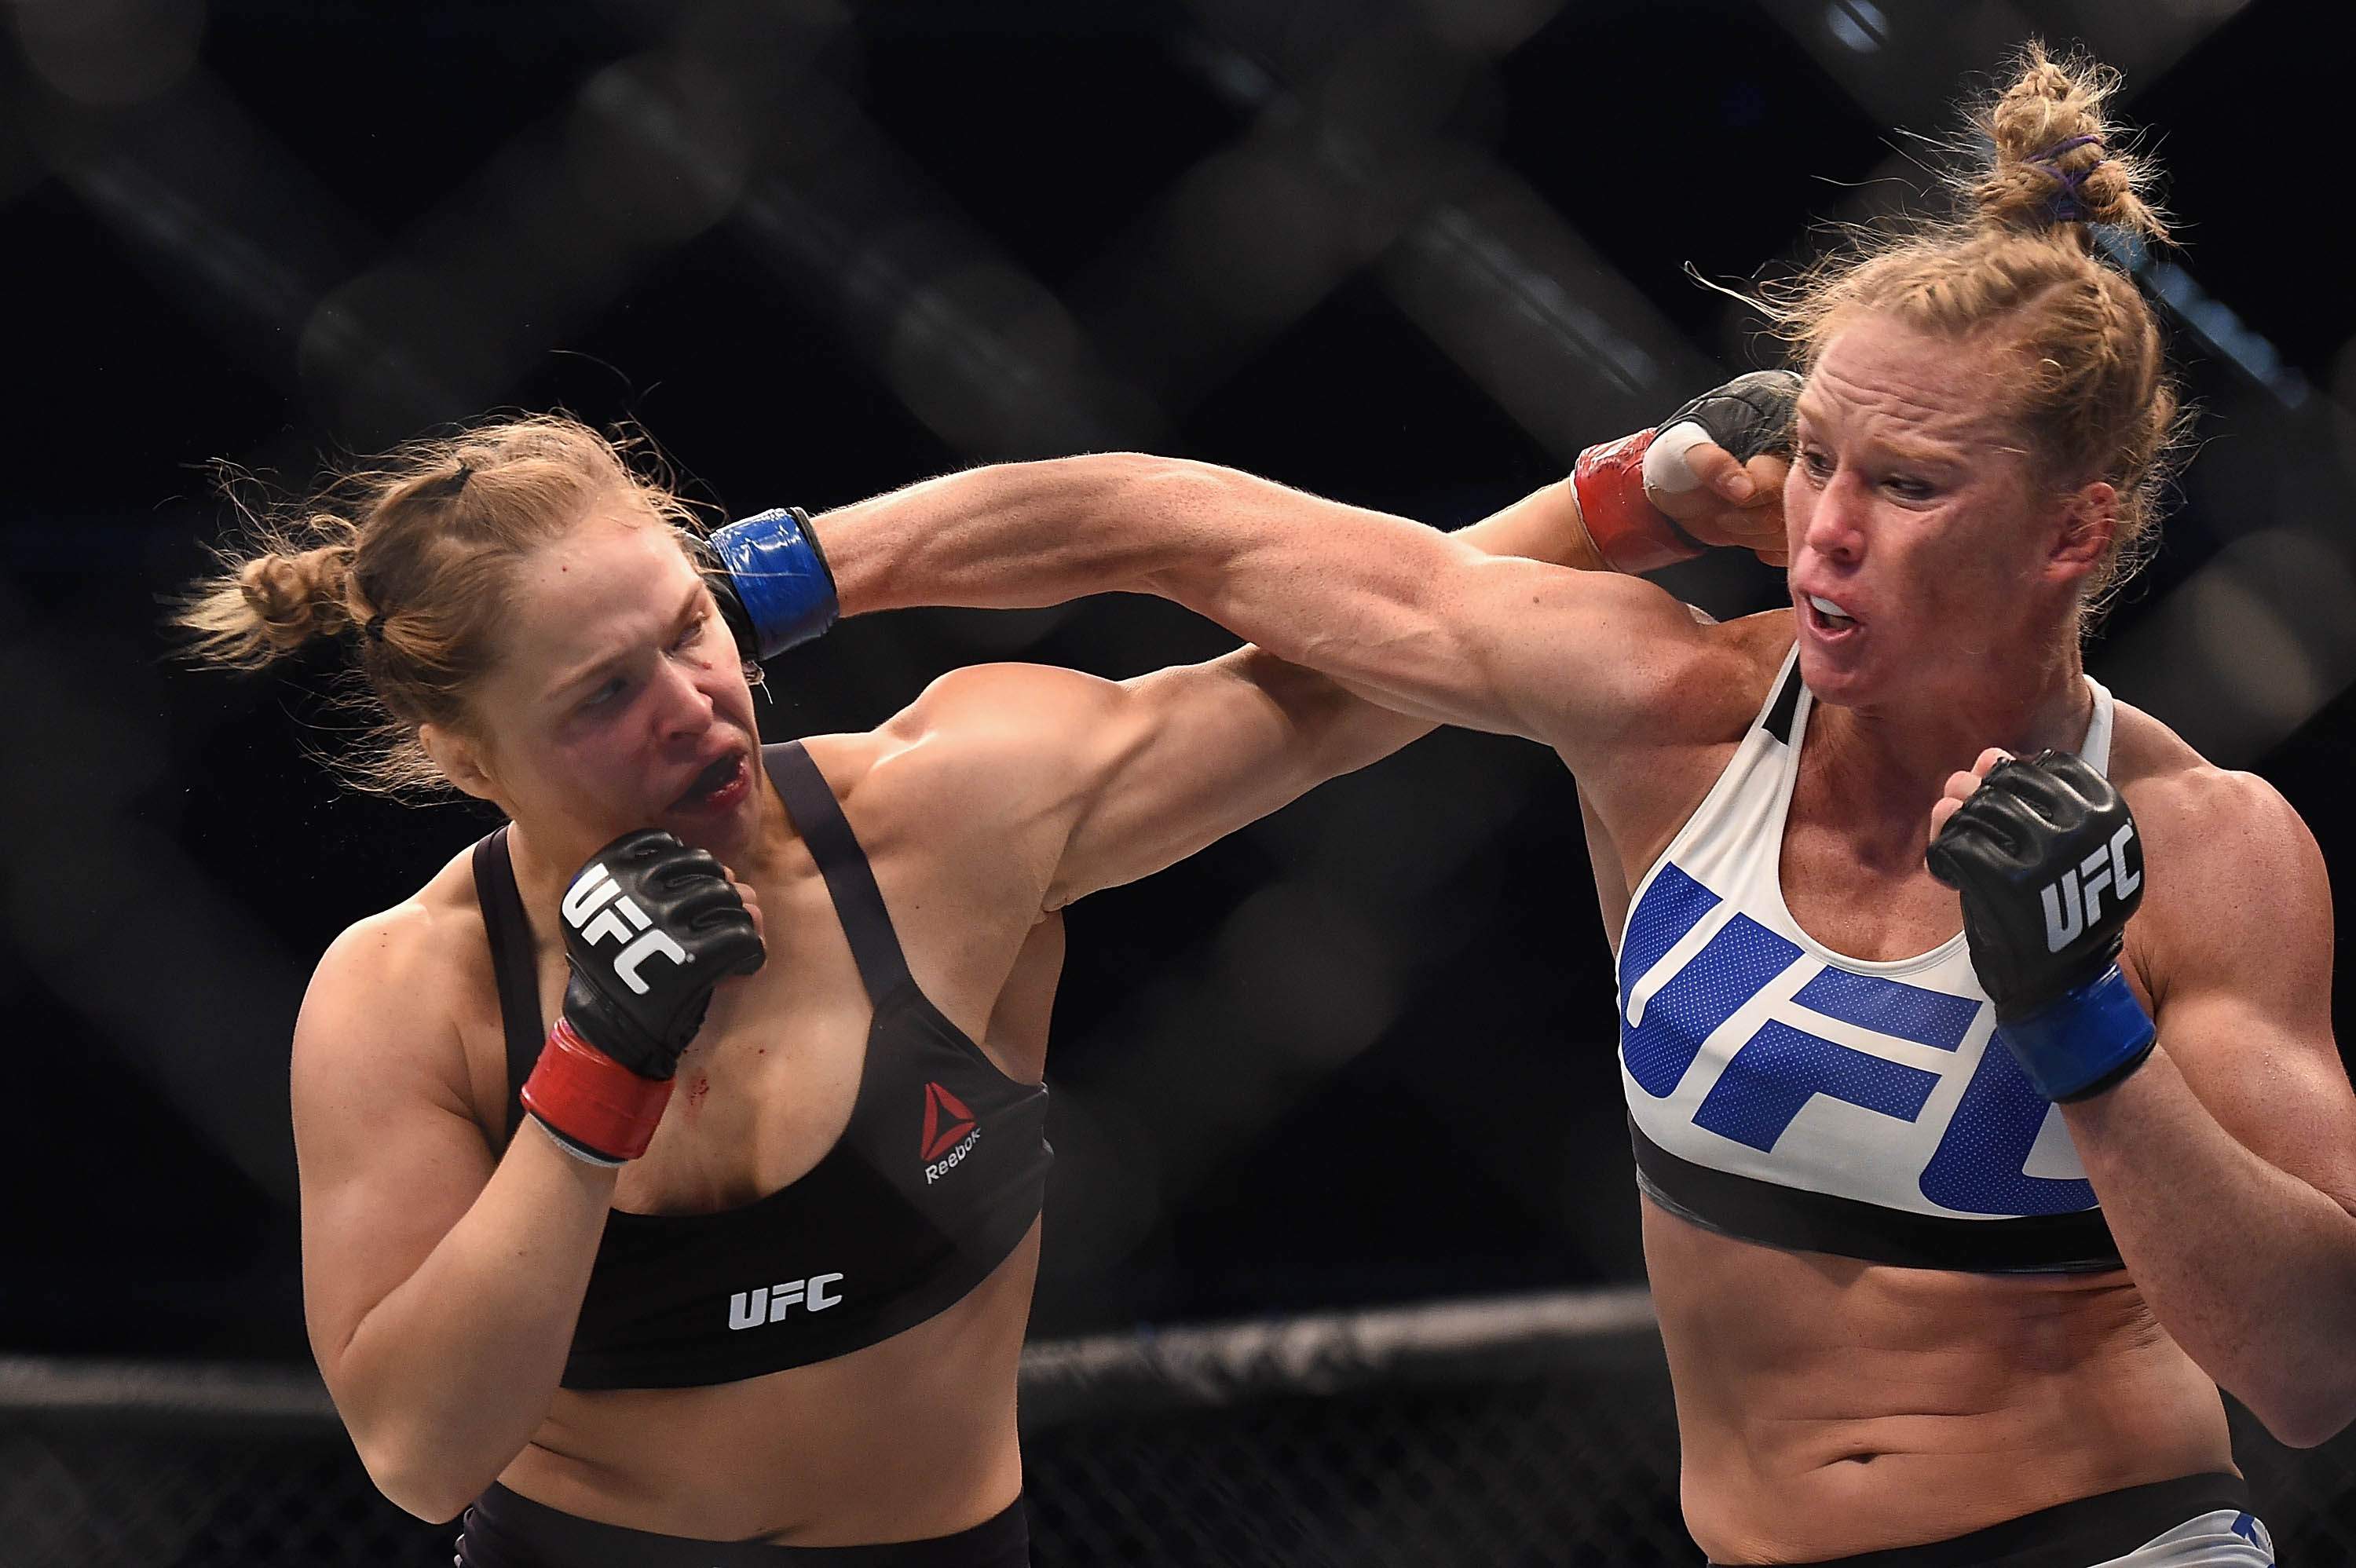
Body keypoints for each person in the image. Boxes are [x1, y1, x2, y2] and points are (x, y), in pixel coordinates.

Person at [798, 44, 2356, 1566]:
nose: (1826, 536)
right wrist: (776, 576)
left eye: (1911, 485)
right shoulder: (1665, 709)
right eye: (1816, 460)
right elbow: (1180, 527)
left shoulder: (2204, 848)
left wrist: (2090, 1037)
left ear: (2073, 530)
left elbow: (2310, 1366)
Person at [172, 383, 1782, 1562]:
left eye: (691, 631)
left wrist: (1626, 497)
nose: (692, 705)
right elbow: (417, 1448)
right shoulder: (409, 999)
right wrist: (595, 1077)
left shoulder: (939, 817)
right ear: (464, 753)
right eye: (604, 696)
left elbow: (1327, 686)